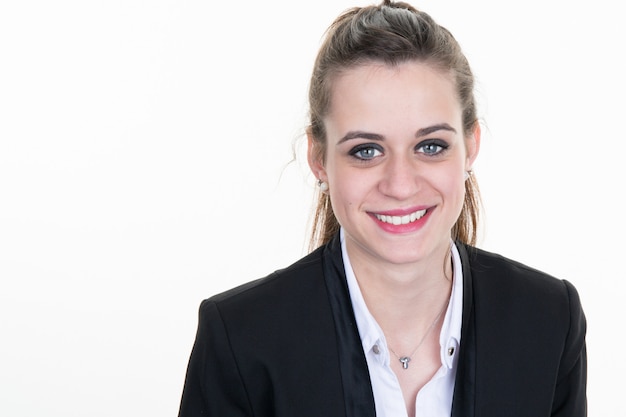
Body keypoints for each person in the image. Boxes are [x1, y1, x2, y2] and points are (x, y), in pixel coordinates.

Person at [177, 1, 587, 416]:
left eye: (431, 146)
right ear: (318, 158)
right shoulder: (241, 340)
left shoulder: (549, 320)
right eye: (366, 150)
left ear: (471, 147)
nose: (401, 184)